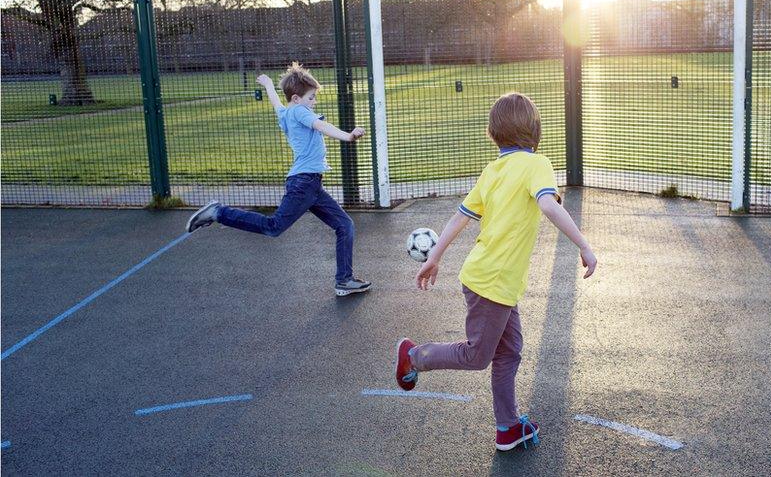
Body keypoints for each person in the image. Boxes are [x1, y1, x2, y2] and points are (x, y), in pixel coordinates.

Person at [393, 93, 597, 450]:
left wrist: (435, 256)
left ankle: (506, 428)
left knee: (509, 351)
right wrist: (583, 244)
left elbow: (460, 217)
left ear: (493, 133)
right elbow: (548, 204)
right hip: (492, 282)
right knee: (477, 356)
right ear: (535, 130)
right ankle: (413, 356)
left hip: (491, 278)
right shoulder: (537, 164)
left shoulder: (493, 170)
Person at [185, 62, 371, 297]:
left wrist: (269, 85)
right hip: (303, 184)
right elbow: (321, 125)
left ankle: (344, 280)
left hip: (310, 185)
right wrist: (349, 136)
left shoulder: (287, 113)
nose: (314, 102)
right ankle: (218, 212)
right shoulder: (300, 111)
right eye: (311, 97)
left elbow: (276, 104)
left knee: (345, 225)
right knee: (273, 228)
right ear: (296, 98)